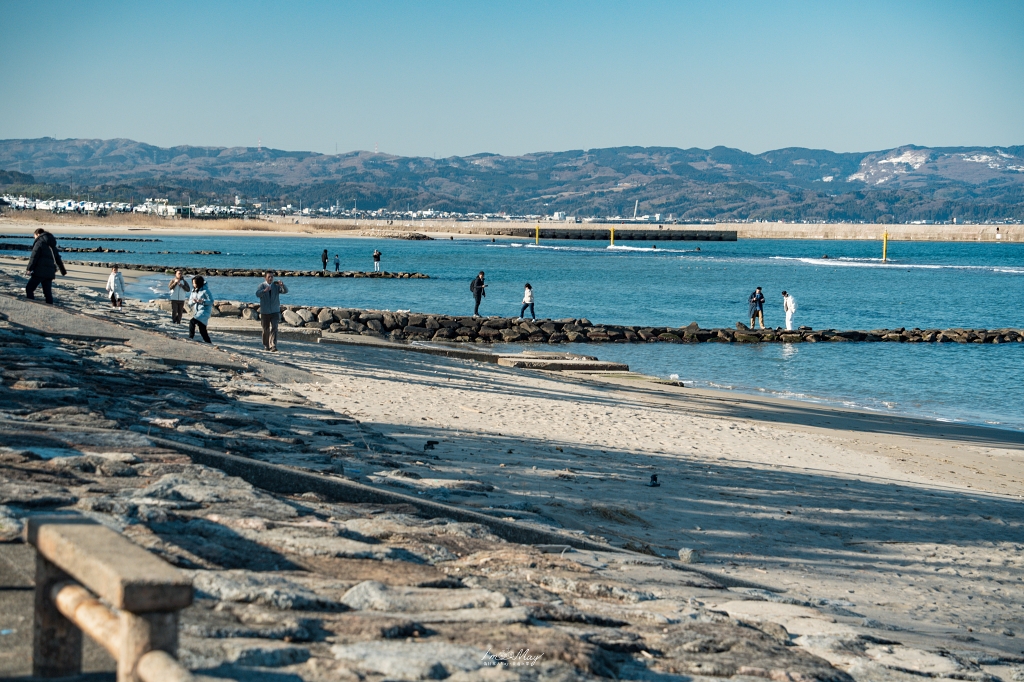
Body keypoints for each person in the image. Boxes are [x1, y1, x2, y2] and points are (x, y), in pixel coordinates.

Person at [25, 228, 66, 305]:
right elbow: (58, 258)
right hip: (50, 272)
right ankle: (50, 306)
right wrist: (63, 271)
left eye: (34, 236)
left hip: (39, 271)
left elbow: (34, 257)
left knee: (29, 289)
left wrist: (29, 269)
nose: (34, 238)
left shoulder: (39, 243)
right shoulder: (52, 244)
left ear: (37, 234)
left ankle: (30, 304)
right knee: (47, 293)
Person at [255, 271, 288, 352]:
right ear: (265, 277)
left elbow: (285, 291)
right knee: (265, 329)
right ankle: (266, 345)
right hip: (265, 311)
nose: (270, 278)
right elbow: (257, 294)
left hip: (275, 311)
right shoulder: (261, 286)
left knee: (274, 328)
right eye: (269, 277)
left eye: (272, 277)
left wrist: (283, 285)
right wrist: (264, 291)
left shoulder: (275, 286)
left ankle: (273, 345)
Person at [187, 275, 213, 343]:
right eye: (192, 283)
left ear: (199, 283)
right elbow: (189, 302)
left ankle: (190, 337)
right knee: (202, 330)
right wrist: (193, 301)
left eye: (195, 283)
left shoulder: (205, 290)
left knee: (192, 321)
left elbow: (211, 301)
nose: (193, 285)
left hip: (205, 311)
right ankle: (209, 343)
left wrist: (202, 301)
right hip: (197, 311)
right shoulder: (193, 291)